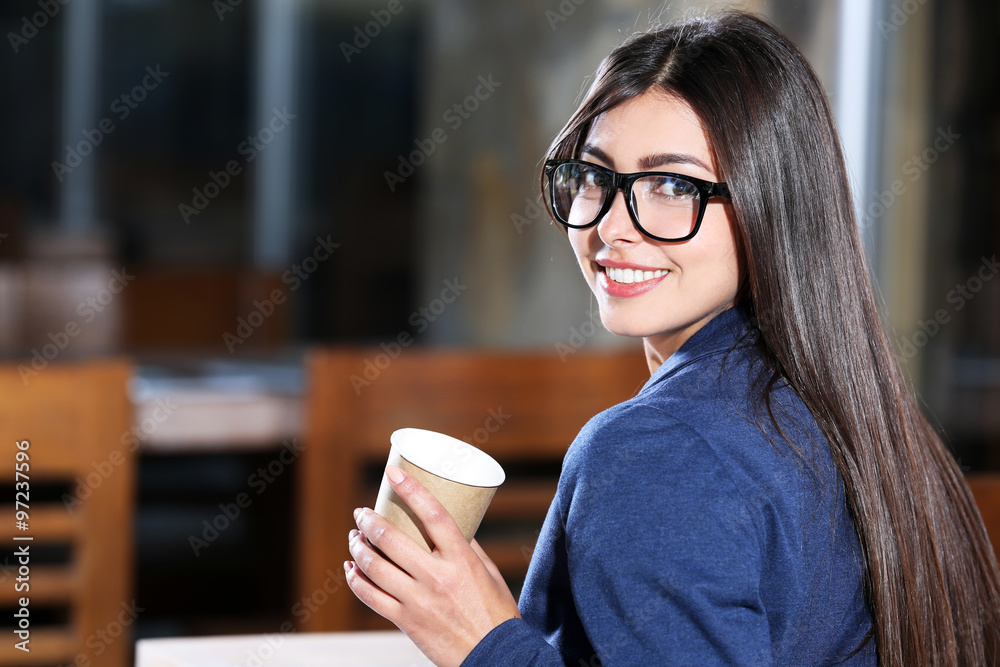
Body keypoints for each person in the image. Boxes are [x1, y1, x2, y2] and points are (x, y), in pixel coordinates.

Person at [345, 10, 1000, 666]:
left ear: (766, 205)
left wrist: (482, 644)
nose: (613, 227)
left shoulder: (655, 455)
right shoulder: (869, 421)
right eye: (595, 175)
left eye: (670, 185)